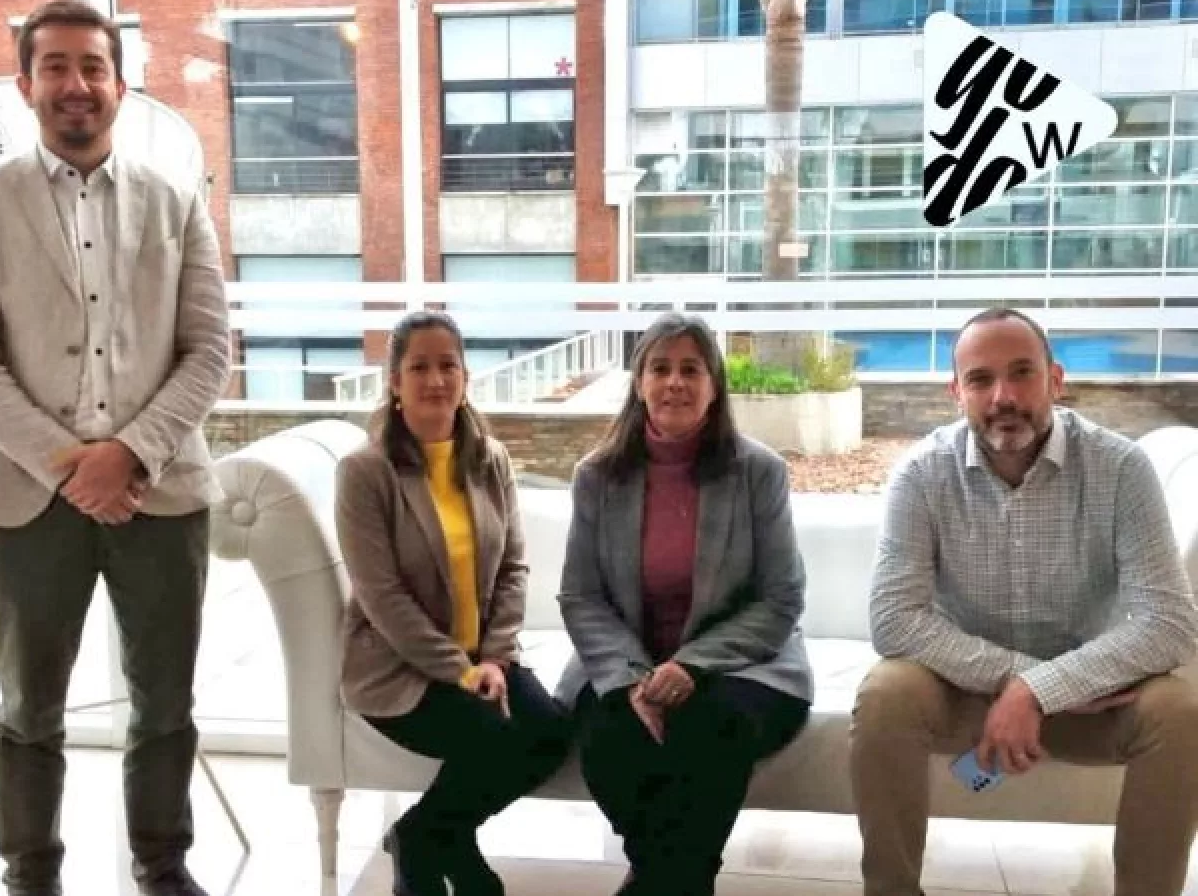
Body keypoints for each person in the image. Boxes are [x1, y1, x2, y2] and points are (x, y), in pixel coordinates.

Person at [0, 0, 230, 896]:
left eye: (93, 66)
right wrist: (69, 465)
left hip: (160, 493)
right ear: (25, 84)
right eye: (56, 66)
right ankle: (30, 875)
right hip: (31, 501)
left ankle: (162, 866)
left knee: (166, 702)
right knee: (28, 708)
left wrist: (129, 453)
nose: (76, 84)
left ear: (120, 85)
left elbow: (210, 350)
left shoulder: (176, 198)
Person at [852, 307, 1198, 896]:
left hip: (1092, 698)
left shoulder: (1120, 468)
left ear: (1055, 380)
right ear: (956, 392)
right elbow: (894, 620)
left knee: (1180, 711)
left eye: (1021, 373)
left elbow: (1169, 622)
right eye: (981, 379)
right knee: (887, 692)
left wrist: (1042, 690)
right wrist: (1021, 680)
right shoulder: (922, 473)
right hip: (965, 692)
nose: (1003, 397)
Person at [555, 313, 812, 896]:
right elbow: (581, 596)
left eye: (691, 369)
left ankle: (658, 881)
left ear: (714, 385)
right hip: (628, 659)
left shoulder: (760, 472)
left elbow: (781, 597)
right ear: (639, 382)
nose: (675, 382)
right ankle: (674, 879)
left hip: (741, 664)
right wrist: (632, 679)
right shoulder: (597, 476)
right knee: (608, 742)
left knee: (710, 732)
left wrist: (691, 664)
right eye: (660, 368)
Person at [337, 311, 571, 896]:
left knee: (549, 733)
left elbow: (513, 566)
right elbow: (382, 597)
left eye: (448, 365)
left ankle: (419, 836)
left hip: (483, 659)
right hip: (399, 669)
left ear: (465, 377)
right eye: (419, 367)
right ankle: (450, 849)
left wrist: (492, 657)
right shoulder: (364, 472)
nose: (436, 379)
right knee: (496, 739)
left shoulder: (490, 458)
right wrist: (461, 672)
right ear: (394, 381)